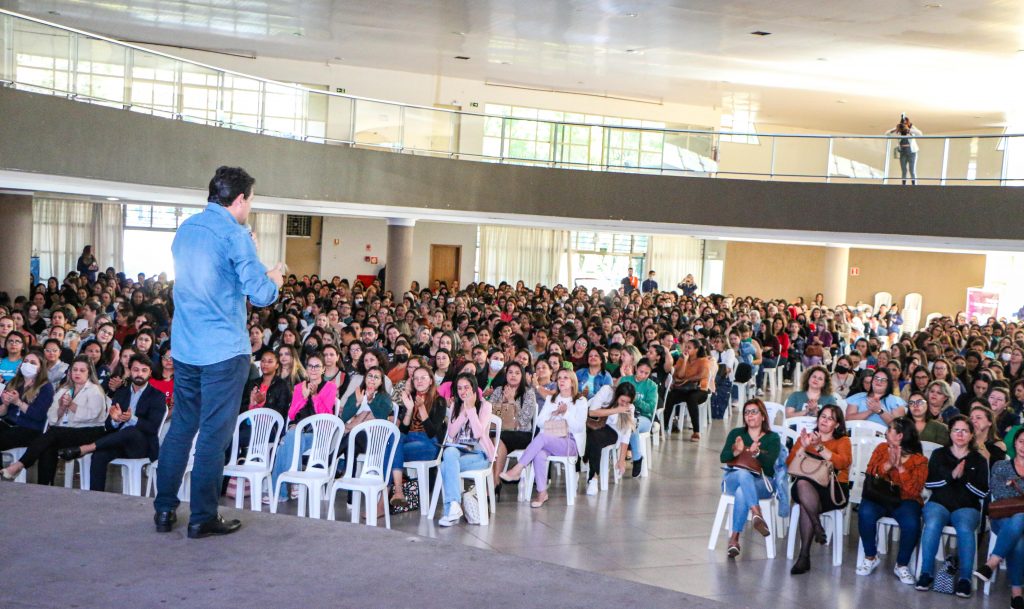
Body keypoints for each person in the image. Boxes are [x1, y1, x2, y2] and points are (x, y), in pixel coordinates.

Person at [154, 166, 284, 539]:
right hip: (223, 352)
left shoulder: (187, 229)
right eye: (251, 200)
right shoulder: (235, 234)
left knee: (181, 427)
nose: (250, 207)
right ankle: (202, 517)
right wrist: (273, 276)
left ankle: (164, 511)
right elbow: (260, 294)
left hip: (186, 346)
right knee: (213, 434)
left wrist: (249, 256)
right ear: (240, 200)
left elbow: (210, 277)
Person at [58, 354, 167, 493]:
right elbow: (108, 426)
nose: (139, 374)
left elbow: (152, 428)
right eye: (136, 369)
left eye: (144, 370)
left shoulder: (157, 396)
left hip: (141, 446)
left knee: (131, 430)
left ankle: (86, 448)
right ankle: (95, 496)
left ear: (150, 372)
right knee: (99, 456)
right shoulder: (121, 393)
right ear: (130, 370)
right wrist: (115, 421)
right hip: (119, 443)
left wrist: (131, 419)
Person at [0, 356, 107, 484]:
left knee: (52, 434)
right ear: (70, 372)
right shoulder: (64, 389)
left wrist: (71, 405)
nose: (77, 373)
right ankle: (44, 485)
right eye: (75, 370)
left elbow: (93, 415)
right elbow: (51, 417)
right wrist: (61, 408)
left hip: (90, 431)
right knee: (48, 444)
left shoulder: (95, 390)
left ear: (89, 373)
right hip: (67, 431)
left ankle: (18, 466)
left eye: (82, 370)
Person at [915, 415, 988, 597]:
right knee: (931, 524)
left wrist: (963, 477)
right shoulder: (939, 454)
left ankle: (965, 579)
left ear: (971, 435)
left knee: (964, 528)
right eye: (956, 430)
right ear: (950, 433)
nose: (960, 434)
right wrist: (951, 475)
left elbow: (983, 492)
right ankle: (926, 573)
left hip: (967, 507)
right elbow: (929, 484)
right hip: (939, 503)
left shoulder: (978, 459)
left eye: (965, 431)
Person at [500, 368, 588, 508]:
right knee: (539, 453)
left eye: (566, 377)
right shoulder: (551, 399)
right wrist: (554, 413)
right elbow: (540, 422)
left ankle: (517, 469)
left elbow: (578, 427)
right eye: (559, 378)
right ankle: (542, 493)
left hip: (570, 442)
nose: (562, 380)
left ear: (572, 382)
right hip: (550, 438)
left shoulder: (581, 401)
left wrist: (565, 414)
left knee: (542, 437)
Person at [855, 417, 928, 584]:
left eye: (890, 430)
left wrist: (900, 468)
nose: (886, 432)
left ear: (900, 435)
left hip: (905, 500)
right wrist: (888, 464)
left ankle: (902, 565)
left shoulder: (919, 460)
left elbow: (914, 490)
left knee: (911, 523)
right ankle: (871, 556)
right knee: (865, 512)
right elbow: (870, 471)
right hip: (879, 496)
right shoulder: (881, 448)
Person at [787, 405, 851, 574]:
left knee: (804, 504)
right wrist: (803, 446)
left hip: (833, 489)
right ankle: (817, 525)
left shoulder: (843, 441)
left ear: (837, 425)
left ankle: (804, 557)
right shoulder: (806, 437)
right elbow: (789, 465)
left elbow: (842, 463)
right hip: (806, 488)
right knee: (802, 484)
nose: (825, 420)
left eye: (830, 418)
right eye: (823, 416)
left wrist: (820, 447)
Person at [269, 353, 340, 504]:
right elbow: (292, 413)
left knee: (287, 441)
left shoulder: (330, 387)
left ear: (322, 369)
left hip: (318, 435)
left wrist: (314, 396)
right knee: (290, 437)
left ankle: (282, 489)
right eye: (310, 366)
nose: (313, 369)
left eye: (317, 366)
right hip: (300, 432)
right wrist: (303, 397)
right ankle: (291, 483)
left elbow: (326, 415)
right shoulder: (299, 387)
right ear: (306, 369)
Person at [719, 398, 781, 558]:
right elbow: (723, 457)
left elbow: (769, 467)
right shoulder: (736, 434)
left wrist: (757, 453)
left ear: (763, 416)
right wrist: (736, 452)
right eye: (746, 413)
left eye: (754, 412)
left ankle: (734, 539)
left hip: (761, 482)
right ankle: (757, 513)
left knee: (741, 492)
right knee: (742, 473)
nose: (750, 416)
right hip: (733, 478)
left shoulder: (772, 438)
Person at [974, 425, 1024, 608]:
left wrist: (1013, 487)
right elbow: (998, 492)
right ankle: (1017, 595)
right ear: (1015, 443)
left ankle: (991, 563)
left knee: (1019, 520)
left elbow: (1006, 491)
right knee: (1019, 525)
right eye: (1021, 442)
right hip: (1000, 518)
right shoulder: (1001, 465)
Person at [438, 373, 494, 526]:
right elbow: (451, 433)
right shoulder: (456, 405)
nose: (463, 392)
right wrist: (463, 412)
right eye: (459, 388)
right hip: (458, 451)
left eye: (466, 388)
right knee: (449, 452)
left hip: (479, 454)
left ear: (474, 388)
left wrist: (470, 410)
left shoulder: (485, 406)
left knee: (445, 465)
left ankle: (451, 508)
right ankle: (454, 507)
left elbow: (478, 433)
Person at [391, 365, 446, 506]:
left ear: (431, 381)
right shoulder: (411, 399)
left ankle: (394, 492)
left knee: (390, 451)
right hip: (409, 438)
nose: (419, 381)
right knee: (393, 440)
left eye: (423, 378)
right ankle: (396, 492)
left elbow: (432, 432)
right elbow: (403, 431)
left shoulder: (439, 401)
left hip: (428, 443)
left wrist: (421, 408)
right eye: (416, 378)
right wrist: (409, 409)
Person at [490, 362, 538, 495]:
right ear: (506, 374)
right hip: (500, 433)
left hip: (521, 434)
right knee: (495, 439)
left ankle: (494, 483)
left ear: (522, 376)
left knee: (498, 439)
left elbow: (523, 421)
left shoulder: (528, 393)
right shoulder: (499, 390)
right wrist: (503, 402)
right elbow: (491, 413)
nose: (513, 376)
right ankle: (495, 482)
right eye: (510, 372)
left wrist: (511, 402)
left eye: (517, 373)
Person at [583, 383, 635, 495]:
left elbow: (626, 435)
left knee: (594, 438)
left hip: (611, 432)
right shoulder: (607, 391)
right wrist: (617, 410)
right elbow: (592, 412)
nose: (624, 404)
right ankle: (579, 469)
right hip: (592, 424)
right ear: (617, 395)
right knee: (585, 435)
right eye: (622, 400)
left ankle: (594, 478)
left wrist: (621, 460)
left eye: (627, 402)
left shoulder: (630, 408)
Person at [0, 349, 54, 454]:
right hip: (8, 424)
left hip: (29, 428)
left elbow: (38, 415)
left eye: (33, 363)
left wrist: (18, 403)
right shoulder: (14, 382)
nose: (27, 364)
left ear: (40, 369)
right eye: (25, 361)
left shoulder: (45, 387)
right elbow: (2, 413)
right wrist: (5, 404)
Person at [664, 338, 712, 441]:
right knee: (671, 396)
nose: (686, 349)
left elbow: (702, 375)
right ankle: (664, 426)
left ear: (696, 350)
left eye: (689, 348)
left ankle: (696, 431)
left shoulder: (703, 361)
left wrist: (686, 380)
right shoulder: (682, 359)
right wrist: (685, 361)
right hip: (683, 389)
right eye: (685, 347)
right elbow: (679, 375)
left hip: (699, 390)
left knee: (692, 398)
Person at [620, 358, 658, 477]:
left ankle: (637, 457)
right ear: (636, 368)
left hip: (644, 418)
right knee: (628, 423)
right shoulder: (626, 380)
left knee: (632, 423)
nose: (643, 375)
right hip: (623, 414)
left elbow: (650, 408)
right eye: (641, 371)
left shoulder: (651, 386)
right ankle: (634, 457)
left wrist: (637, 400)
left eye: (646, 373)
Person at [886, 116, 923, 186]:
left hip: (912, 152)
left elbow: (920, 133)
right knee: (904, 170)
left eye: (906, 123)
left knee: (912, 170)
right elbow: (886, 134)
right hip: (902, 152)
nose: (904, 125)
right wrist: (895, 129)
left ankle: (914, 185)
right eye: (903, 123)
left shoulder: (910, 128)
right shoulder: (899, 128)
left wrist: (909, 129)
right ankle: (903, 185)